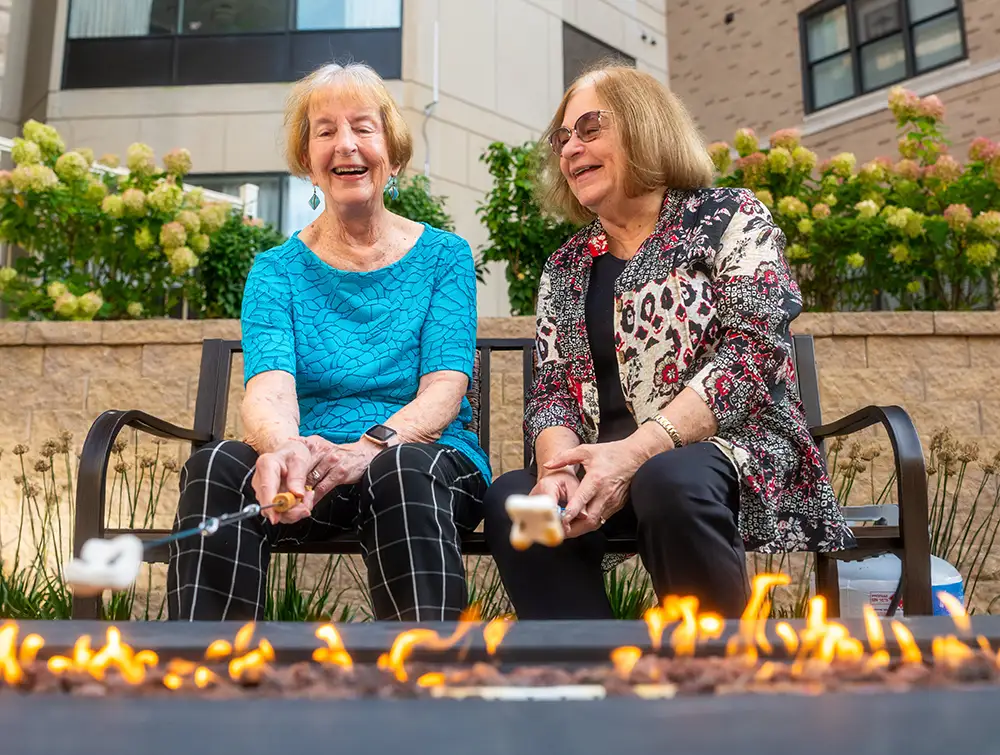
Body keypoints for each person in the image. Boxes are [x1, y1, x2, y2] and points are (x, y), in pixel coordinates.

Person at [483, 65, 856, 620]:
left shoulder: (729, 217)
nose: (570, 148)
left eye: (589, 128)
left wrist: (636, 453)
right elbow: (553, 390)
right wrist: (556, 471)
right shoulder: (565, 264)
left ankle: (715, 676)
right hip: (602, 472)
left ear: (642, 127)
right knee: (514, 502)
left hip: (734, 455)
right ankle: (595, 677)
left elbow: (752, 353)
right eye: (563, 138)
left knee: (666, 478)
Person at [167, 62, 490, 622]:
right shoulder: (275, 271)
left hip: (420, 464)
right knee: (218, 465)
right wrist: (285, 449)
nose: (346, 145)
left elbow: (445, 389)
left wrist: (368, 450)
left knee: (400, 470)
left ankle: (427, 675)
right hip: (313, 470)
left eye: (364, 128)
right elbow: (268, 391)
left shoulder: (444, 256)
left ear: (391, 150)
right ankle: (203, 675)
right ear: (308, 161)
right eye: (325, 131)